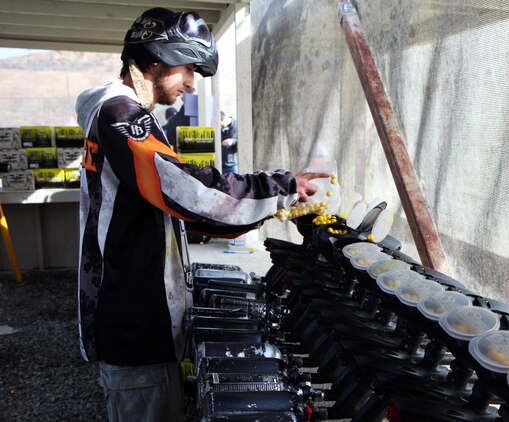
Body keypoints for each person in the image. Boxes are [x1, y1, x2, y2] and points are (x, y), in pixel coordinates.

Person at [74, 7, 328, 422]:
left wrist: (268, 202)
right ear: (155, 59)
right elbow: (187, 192)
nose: (192, 84)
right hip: (135, 323)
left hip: (139, 316)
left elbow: (191, 210)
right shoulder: (120, 116)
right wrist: (277, 188)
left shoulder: (124, 115)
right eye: (188, 68)